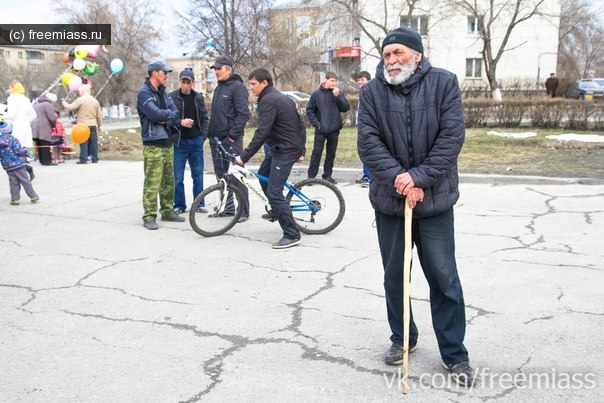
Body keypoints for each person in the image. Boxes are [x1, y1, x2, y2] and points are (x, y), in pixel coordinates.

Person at [357, 26, 474, 386]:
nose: (391, 60)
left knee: (443, 278)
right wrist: (401, 179)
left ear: (417, 55)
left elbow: (451, 136)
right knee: (395, 277)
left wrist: (420, 178)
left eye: (399, 53)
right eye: (386, 54)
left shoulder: (444, 83)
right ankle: (402, 338)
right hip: (391, 202)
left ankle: (455, 354)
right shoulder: (373, 91)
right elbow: (368, 141)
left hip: (435, 200)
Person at [235, 68, 306, 249]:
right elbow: (300, 124)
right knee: (263, 175)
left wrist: (244, 156)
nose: (250, 87)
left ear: (264, 83)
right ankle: (277, 209)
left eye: (253, 83)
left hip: (285, 150)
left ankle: (292, 234)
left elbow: (262, 131)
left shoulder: (269, 100)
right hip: (281, 147)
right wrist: (302, 148)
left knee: (274, 192)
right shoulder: (278, 97)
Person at [136, 59, 185, 230]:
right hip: (153, 143)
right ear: (154, 73)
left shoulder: (163, 93)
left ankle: (167, 210)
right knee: (153, 180)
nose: (166, 75)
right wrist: (166, 116)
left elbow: (175, 112)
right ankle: (149, 216)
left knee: (168, 181)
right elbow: (154, 115)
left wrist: (166, 117)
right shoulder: (144, 93)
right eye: (164, 72)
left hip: (167, 141)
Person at [208, 55, 250, 222]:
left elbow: (243, 114)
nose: (217, 71)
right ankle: (228, 208)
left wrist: (232, 136)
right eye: (215, 69)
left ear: (228, 69)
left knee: (237, 175)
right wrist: (209, 133)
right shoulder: (219, 88)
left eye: (219, 68)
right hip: (216, 139)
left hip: (231, 139)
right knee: (222, 176)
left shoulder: (237, 87)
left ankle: (243, 211)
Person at [168, 69, 209, 215]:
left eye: (188, 82)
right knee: (177, 177)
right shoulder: (171, 97)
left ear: (193, 83)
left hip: (196, 141)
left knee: (198, 175)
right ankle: (179, 204)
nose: (185, 85)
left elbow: (204, 118)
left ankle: (199, 203)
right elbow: (167, 118)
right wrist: (180, 122)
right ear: (179, 82)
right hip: (179, 142)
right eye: (183, 82)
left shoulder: (198, 97)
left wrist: (202, 137)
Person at [305, 71, 350, 184]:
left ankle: (327, 175)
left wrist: (338, 96)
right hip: (321, 129)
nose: (334, 83)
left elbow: (345, 108)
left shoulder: (338, 93)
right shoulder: (317, 94)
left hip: (334, 129)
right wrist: (317, 124)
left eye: (335, 81)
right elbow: (310, 110)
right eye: (332, 80)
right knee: (317, 152)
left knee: (331, 153)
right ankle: (311, 176)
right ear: (325, 80)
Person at [0, 120, 39, 205]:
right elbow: (18, 151)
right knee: (25, 181)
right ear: (10, 129)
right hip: (18, 164)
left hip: (7, 166)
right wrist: (25, 150)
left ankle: (15, 199)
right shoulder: (13, 139)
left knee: (13, 183)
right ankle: (33, 196)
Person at [61, 84, 102, 164]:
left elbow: (70, 107)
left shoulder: (80, 100)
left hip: (83, 125)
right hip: (93, 125)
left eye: (80, 92)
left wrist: (63, 102)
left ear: (83, 91)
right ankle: (95, 158)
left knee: (83, 142)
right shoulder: (95, 101)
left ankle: (83, 159)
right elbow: (99, 115)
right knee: (94, 143)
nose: (79, 93)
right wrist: (100, 125)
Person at [5, 81, 37, 149]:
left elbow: (11, 115)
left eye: (10, 88)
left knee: (17, 150)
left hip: (17, 128)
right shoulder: (26, 99)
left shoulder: (12, 98)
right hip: (27, 128)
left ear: (14, 88)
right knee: (25, 151)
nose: (9, 90)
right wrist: (26, 121)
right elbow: (34, 115)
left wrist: (2, 117)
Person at [31, 92, 58, 166]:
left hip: (35, 126)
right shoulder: (48, 105)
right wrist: (53, 124)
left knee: (39, 143)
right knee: (45, 143)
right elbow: (51, 117)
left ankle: (42, 160)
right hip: (44, 126)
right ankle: (47, 161)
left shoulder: (36, 104)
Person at [355, 71, 372, 188]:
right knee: (364, 151)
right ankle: (366, 175)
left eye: (363, 79)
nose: (360, 82)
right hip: (361, 126)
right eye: (359, 80)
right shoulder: (362, 92)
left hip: (368, 127)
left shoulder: (369, 92)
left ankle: (368, 177)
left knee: (368, 151)